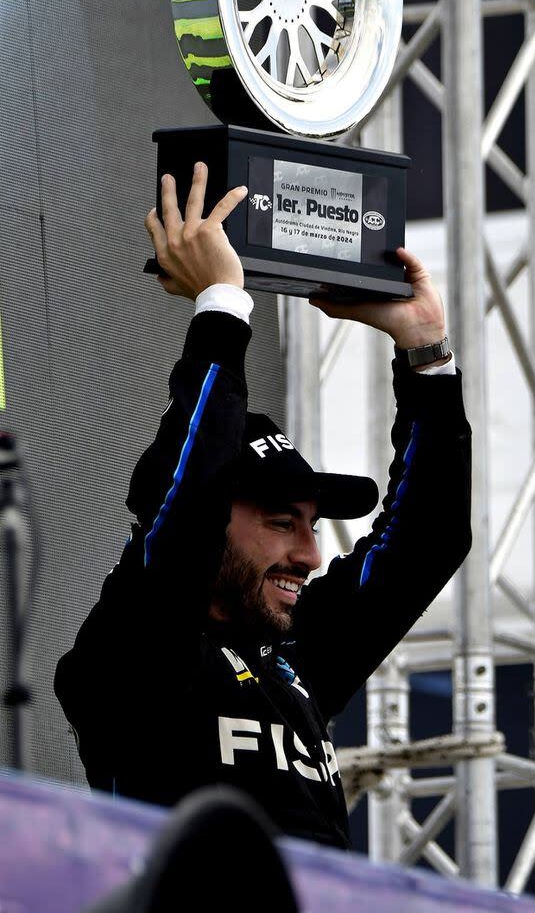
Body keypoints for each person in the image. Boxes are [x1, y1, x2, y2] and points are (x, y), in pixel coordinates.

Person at [55, 163, 472, 850]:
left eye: (310, 524)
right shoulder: (136, 649)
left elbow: (428, 541)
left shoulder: (297, 656)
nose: (310, 554)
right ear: (215, 519)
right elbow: (185, 505)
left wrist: (426, 355)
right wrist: (221, 304)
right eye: (281, 521)